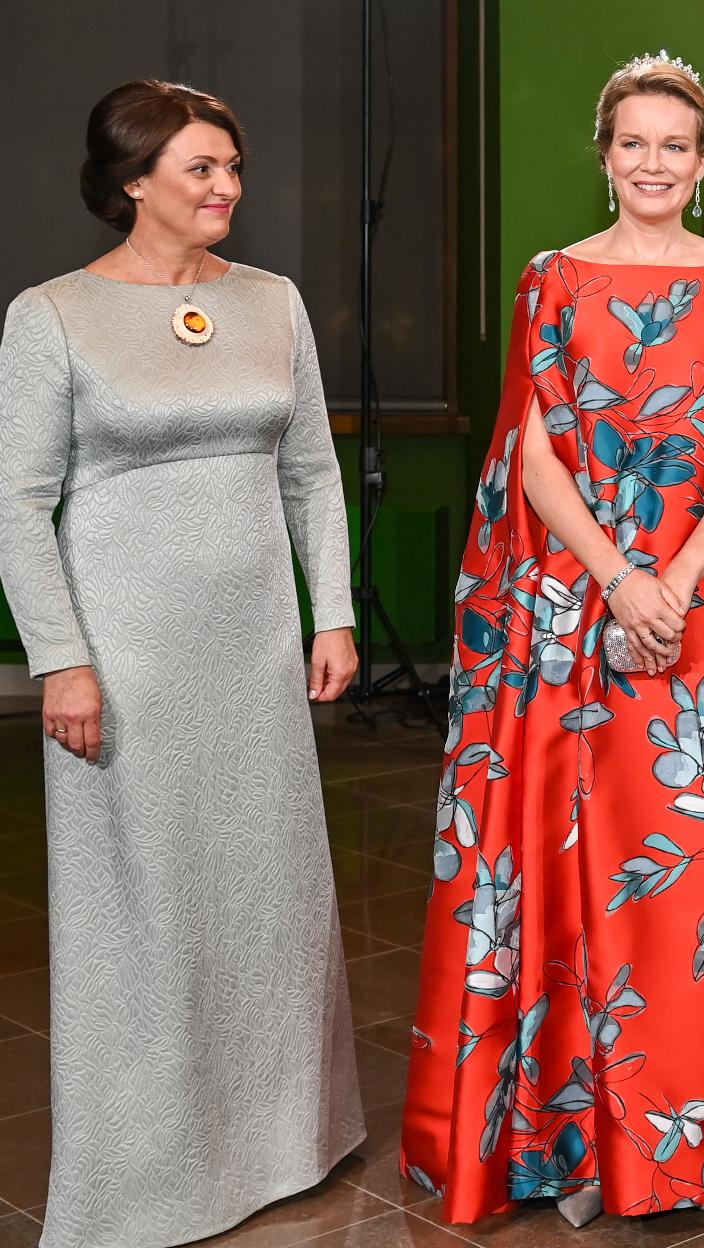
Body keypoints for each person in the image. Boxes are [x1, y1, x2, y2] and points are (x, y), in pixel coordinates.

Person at [400, 51, 704, 1226]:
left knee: (702, 878)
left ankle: (702, 1133)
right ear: (604, 155)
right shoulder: (551, 279)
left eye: (677, 146)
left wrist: (678, 579)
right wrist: (620, 579)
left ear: (703, 166)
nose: (655, 163)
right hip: (575, 609)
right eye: (636, 143)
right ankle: (569, 1132)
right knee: (571, 856)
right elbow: (531, 449)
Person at [0, 80, 364, 1248]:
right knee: (144, 913)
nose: (226, 189)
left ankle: (283, 1141)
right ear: (131, 183)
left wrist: (335, 614)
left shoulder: (273, 302)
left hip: (254, 656)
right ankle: (144, 1173)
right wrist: (59, 657)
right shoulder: (50, 315)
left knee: (267, 900)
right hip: (129, 662)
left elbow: (311, 472)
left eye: (232, 169)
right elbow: (18, 503)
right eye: (201, 169)